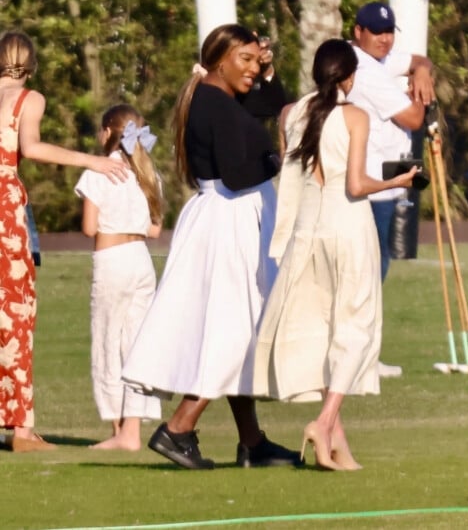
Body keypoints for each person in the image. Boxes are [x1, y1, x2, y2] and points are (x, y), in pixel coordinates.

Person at [122, 24, 301, 470]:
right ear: (219, 59)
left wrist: (269, 66)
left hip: (229, 217)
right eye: (244, 59)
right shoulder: (214, 104)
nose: (252, 69)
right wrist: (286, 157)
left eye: (255, 60)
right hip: (230, 220)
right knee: (237, 330)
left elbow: (272, 103)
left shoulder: (217, 95)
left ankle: (252, 442)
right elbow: (239, 174)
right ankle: (179, 428)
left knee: (244, 325)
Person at [253, 39, 418, 470]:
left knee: (328, 327)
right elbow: (357, 186)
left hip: (306, 231)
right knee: (356, 325)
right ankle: (324, 422)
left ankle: (337, 441)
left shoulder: (292, 114)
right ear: (349, 77)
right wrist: (399, 180)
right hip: (347, 227)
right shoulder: (354, 116)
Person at [0, 30, 126, 452]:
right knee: (15, 314)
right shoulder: (28, 99)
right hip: (4, 208)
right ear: (31, 63)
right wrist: (91, 160)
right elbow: (31, 148)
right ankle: (21, 429)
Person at [348, 1, 434, 378]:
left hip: (385, 178)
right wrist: (421, 92)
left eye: (388, 31)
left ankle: (364, 354)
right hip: (368, 182)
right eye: (375, 32)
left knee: (376, 269)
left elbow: (417, 58)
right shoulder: (363, 71)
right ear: (358, 33)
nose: (384, 39)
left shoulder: (380, 60)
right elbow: (414, 118)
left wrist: (423, 71)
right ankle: (358, 357)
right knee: (366, 273)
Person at [74, 104, 163, 451]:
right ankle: (133, 430)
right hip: (141, 260)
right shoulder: (147, 173)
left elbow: (89, 227)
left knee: (108, 342)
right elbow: (154, 229)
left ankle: (117, 430)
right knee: (136, 343)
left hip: (112, 261)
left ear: (107, 132)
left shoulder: (99, 172)